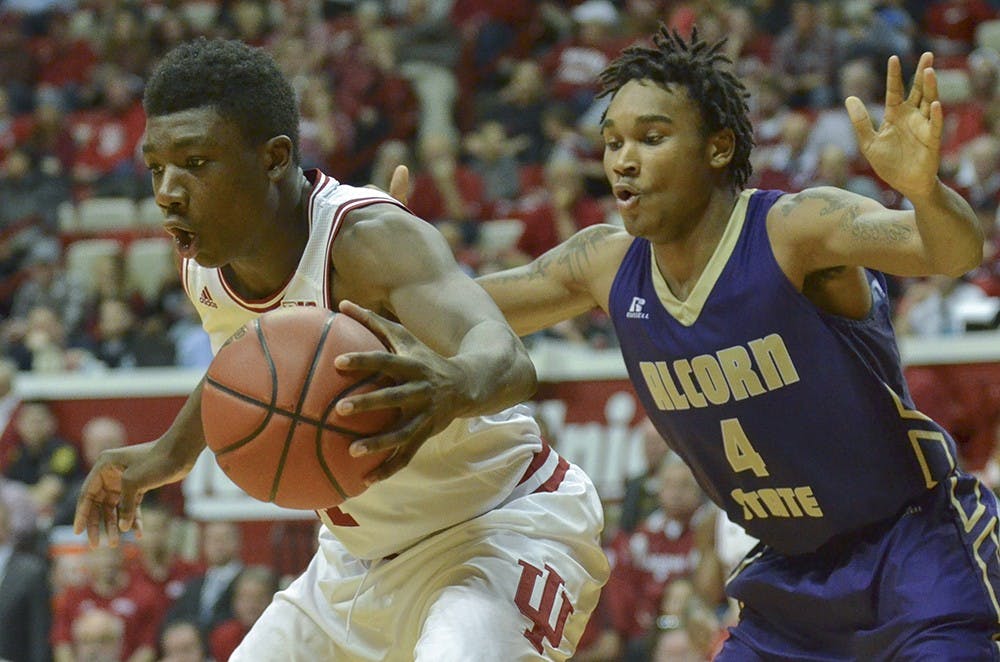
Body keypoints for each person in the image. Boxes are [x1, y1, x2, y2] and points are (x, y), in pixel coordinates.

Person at [468, 27, 998, 658]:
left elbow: (952, 252)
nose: (623, 160)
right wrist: (381, 244)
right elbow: (455, 306)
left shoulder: (794, 229)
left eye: (651, 138)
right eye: (612, 142)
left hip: (912, 553)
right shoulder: (604, 265)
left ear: (718, 147)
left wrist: (923, 191)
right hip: (789, 580)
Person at [74, 37, 607, 661]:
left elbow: (505, 358)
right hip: (354, 566)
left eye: (195, 162)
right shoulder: (203, 263)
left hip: (498, 529)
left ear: (274, 158)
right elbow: (250, 367)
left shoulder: (367, 238)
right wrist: (171, 451)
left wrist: (455, 383)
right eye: (156, 167)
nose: (168, 190)